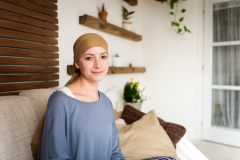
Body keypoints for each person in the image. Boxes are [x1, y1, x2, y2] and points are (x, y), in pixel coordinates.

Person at [37, 33, 125, 160]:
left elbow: (115, 153)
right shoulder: (60, 101)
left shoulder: (106, 102)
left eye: (103, 57)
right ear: (77, 63)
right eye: (89, 58)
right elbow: (55, 157)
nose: (98, 64)